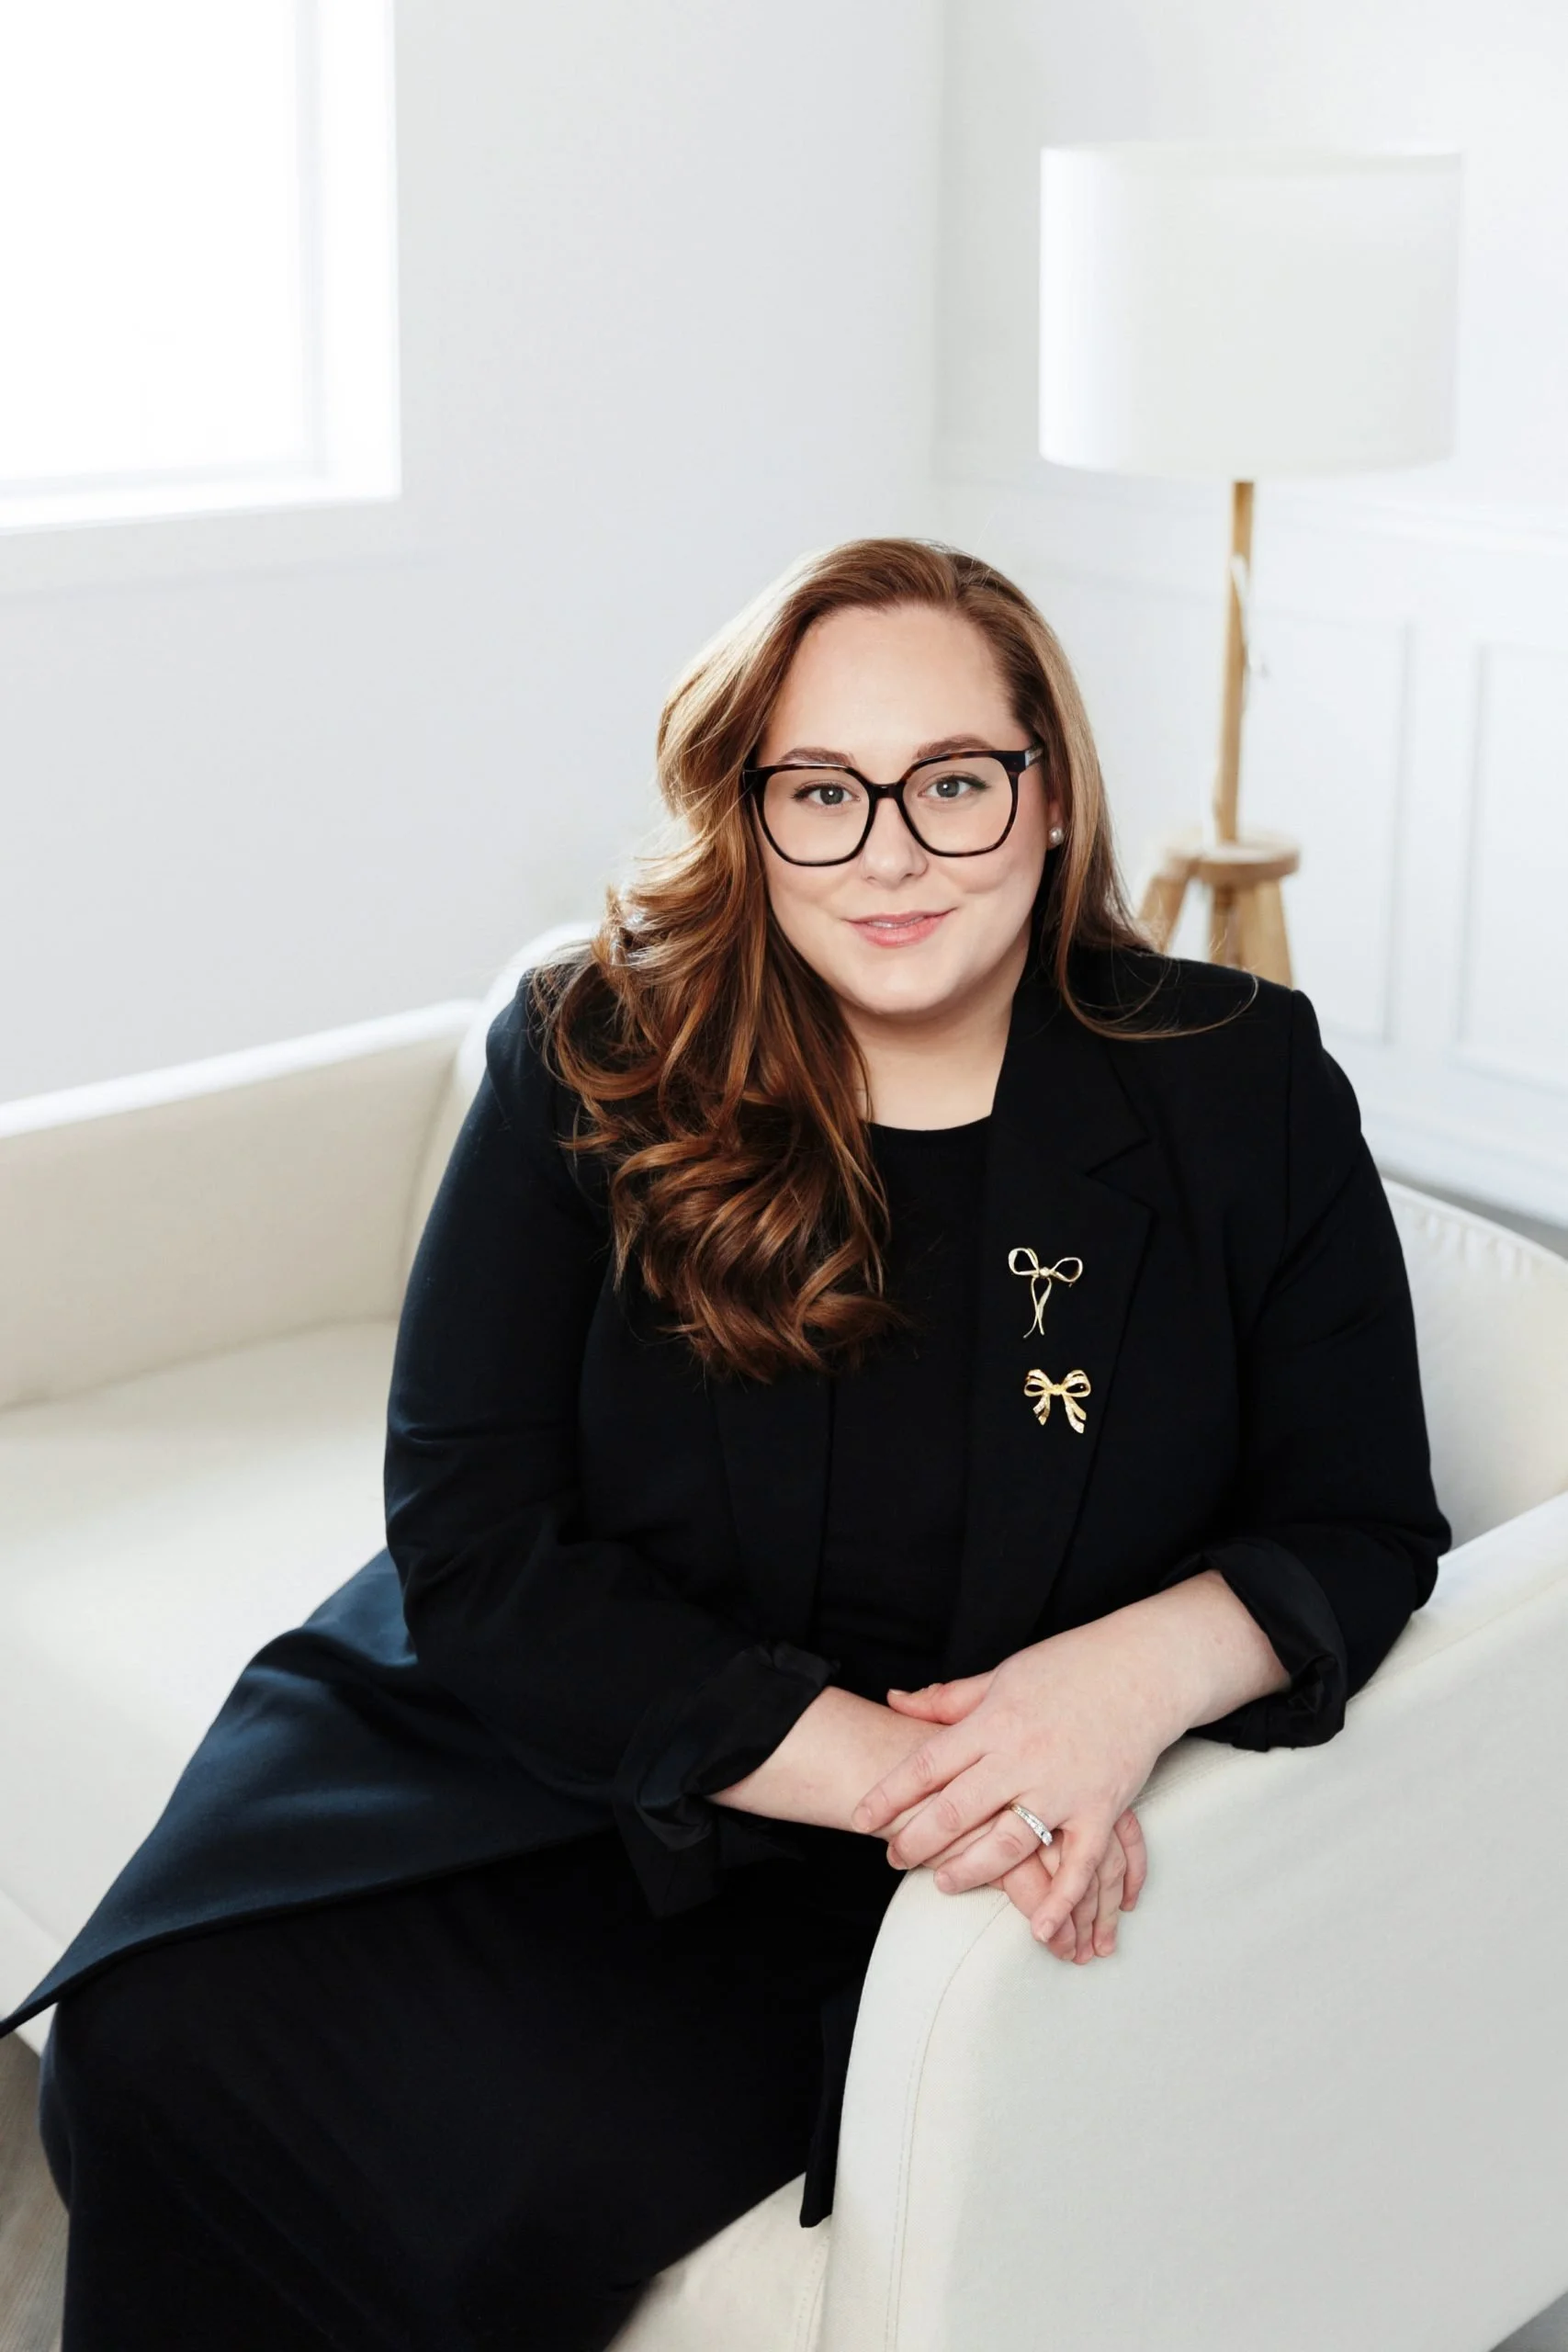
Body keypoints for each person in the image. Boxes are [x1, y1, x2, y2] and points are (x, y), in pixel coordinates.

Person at [14, 537, 1449, 2352]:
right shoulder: (590, 1048)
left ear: (1052, 791)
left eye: (950, 779)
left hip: (827, 1886)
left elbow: (1364, 1515)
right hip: (540, 1737)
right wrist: (889, 1769)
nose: (892, 850)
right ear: (750, 815)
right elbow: (471, 1532)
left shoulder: (1238, 1087)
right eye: (820, 792)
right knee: (162, 2038)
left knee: (498, 2176)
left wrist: (1119, 1681)